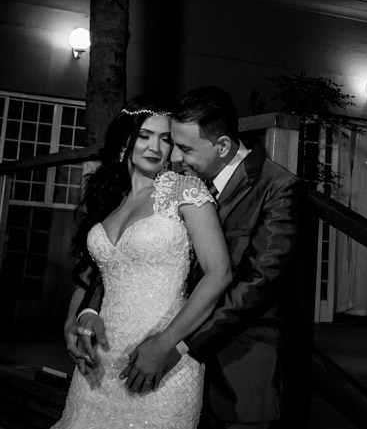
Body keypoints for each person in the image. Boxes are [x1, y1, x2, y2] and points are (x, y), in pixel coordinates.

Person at [74, 86, 305, 429]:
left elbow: (256, 286)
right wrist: (89, 311)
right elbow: (123, 261)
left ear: (223, 146)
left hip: (238, 360)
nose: (174, 156)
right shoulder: (179, 182)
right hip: (148, 352)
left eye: (182, 147)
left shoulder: (277, 188)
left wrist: (175, 346)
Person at [55, 95, 232, 429]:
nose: (155, 147)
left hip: (161, 360)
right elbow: (94, 273)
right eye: (145, 135)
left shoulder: (185, 190)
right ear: (127, 138)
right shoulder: (109, 196)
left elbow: (219, 274)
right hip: (100, 362)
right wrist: (73, 322)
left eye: (166, 139)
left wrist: (165, 346)